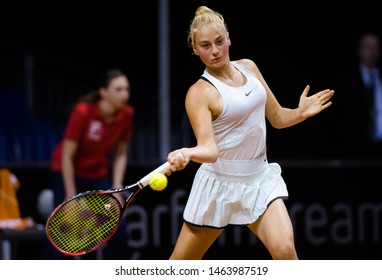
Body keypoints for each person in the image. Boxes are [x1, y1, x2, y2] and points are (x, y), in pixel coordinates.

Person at [165, 6, 334, 260]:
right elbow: (209, 150)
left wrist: (300, 112)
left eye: (220, 42)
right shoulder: (199, 93)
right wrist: (187, 153)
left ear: (229, 38)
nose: (215, 51)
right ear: (195, 48)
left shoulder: (249, 68)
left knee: (285, 251)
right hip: (219, 184)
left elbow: (277, 118)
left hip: (258, 179)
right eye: (206, 45)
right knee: (178, 267)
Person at [42, 68, 135, 259]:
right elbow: (67, 156)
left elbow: (121, 154)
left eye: (126, 89)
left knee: (118, 222)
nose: (124, 94)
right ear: (104, 92)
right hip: (66, 171)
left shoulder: (127, 114)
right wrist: (69, 199)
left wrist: (117, 188)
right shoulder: (83, 112)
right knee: (64, 226)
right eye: (118, 89)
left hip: (96, 174)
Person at [333, 32, 382, 159]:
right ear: (359, 50)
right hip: (354, 150)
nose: (372, 51)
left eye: (375, 47)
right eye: (367, 46)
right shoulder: (346, 80)